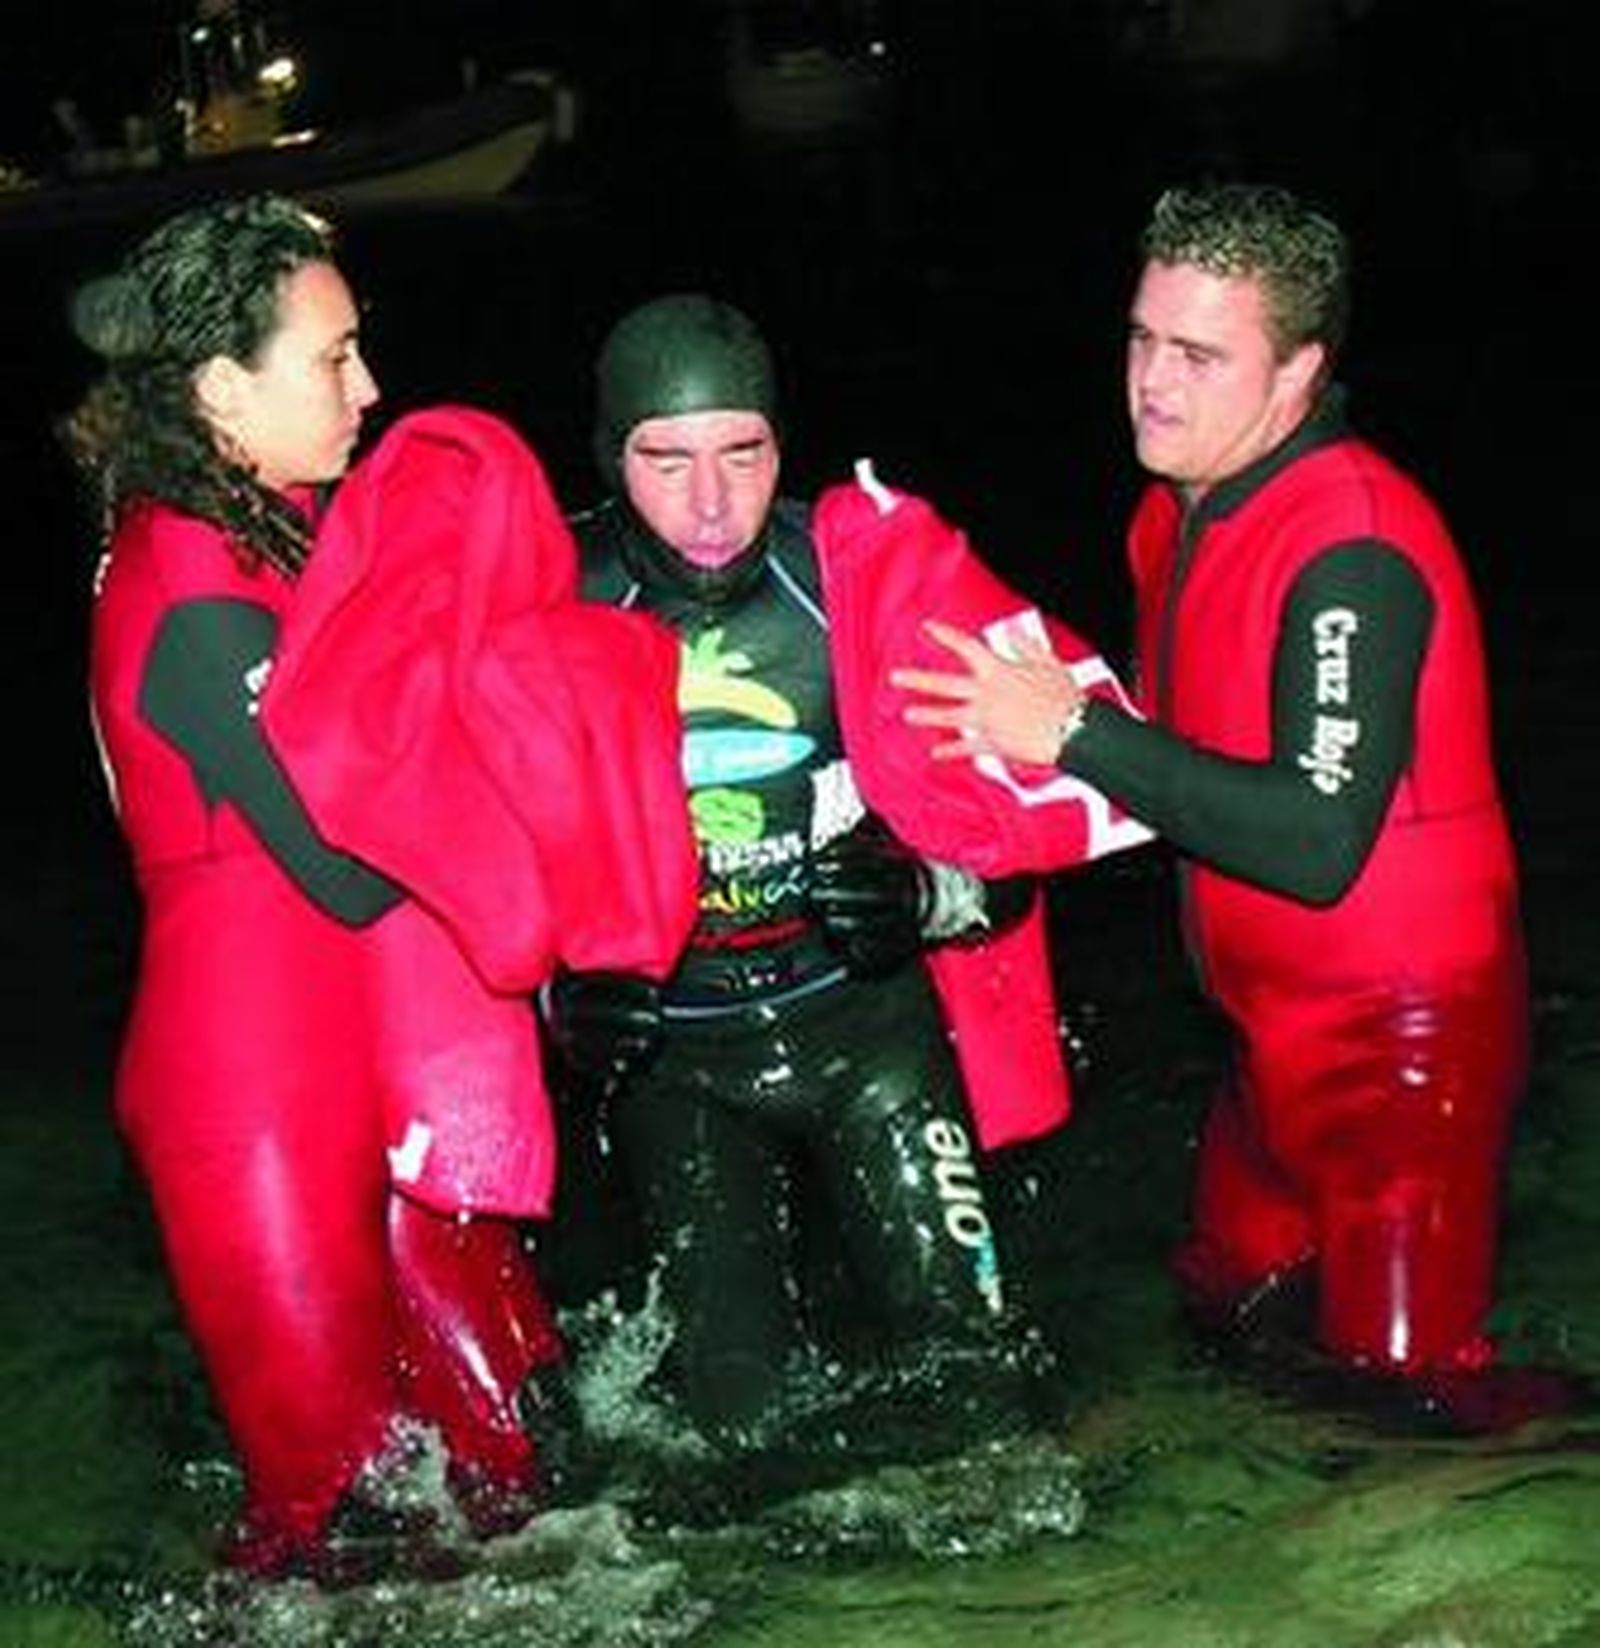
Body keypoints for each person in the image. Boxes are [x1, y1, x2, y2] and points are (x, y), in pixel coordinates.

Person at [892, 181, 1569, 1433]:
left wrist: (1078, 733)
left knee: (1407, 1413)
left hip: (1400, 1057)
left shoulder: (1351, 544)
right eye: (1143, 339)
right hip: (1263, 1046)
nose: (1153, 381)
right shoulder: (1170, 515)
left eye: (1199, 355)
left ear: (1297, 371)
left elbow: (1313, 843)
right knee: (1225, 1322)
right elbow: (1166, 774)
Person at [66, 196, 575, 1583]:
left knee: (509, 1463)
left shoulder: (280, 534)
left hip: (364, 1059)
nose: (370, 388)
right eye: (332, 359)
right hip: (252, 1096)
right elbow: (345, 872)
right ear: (220, 387)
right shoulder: (190, 582)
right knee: (341, 1523)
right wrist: (548, 788)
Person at [543, 293, 1150, 1445]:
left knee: (985, 1388)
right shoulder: (549, 605)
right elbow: (464, 859)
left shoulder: (865, 585)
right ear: (606, 460)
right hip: (680, 1065)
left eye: (745, 452)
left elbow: (1048, 824)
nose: (711, 502)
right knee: (738, 1430)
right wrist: (558, 993)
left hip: (870, 1035)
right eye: (665, 460)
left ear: (786, 444)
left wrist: (929, 891)